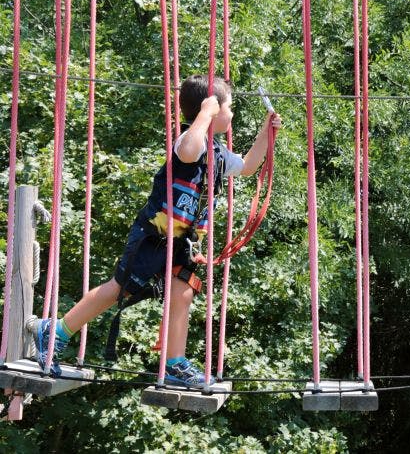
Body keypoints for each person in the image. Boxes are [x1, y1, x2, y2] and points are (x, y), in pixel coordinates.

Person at [31, 74, 281, 387]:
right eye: (228, 107)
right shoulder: (192, 140)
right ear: (213, 109)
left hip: (184, 241)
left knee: (184, 291)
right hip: (157, 234)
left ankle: (175, 362)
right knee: (120, 288)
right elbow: (189, 152)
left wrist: (264, 135)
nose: (232, 114)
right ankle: (55, 332)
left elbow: (247, 167)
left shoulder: (218, 153)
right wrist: (205, 113)